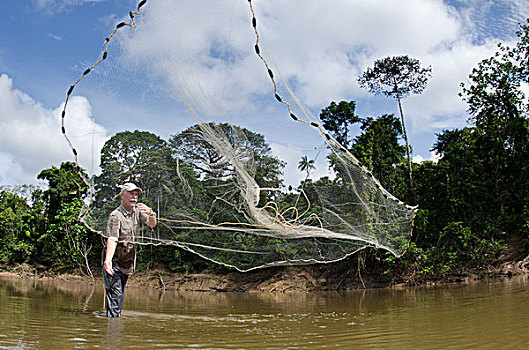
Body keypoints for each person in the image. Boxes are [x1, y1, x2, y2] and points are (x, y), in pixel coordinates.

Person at [102, 182, 156, 317]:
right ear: (122, 196)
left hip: (127, 263)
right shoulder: (116, 215)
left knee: (118, 297)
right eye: (131, 194)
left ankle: (113, 321)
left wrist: (150, 212)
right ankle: (113, 330)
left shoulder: (137, 212)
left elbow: (152, 224)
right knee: (115, 298)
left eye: (136, 194)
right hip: (114, 263)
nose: (134, 197)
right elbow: (113, 239)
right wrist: (107, 261)